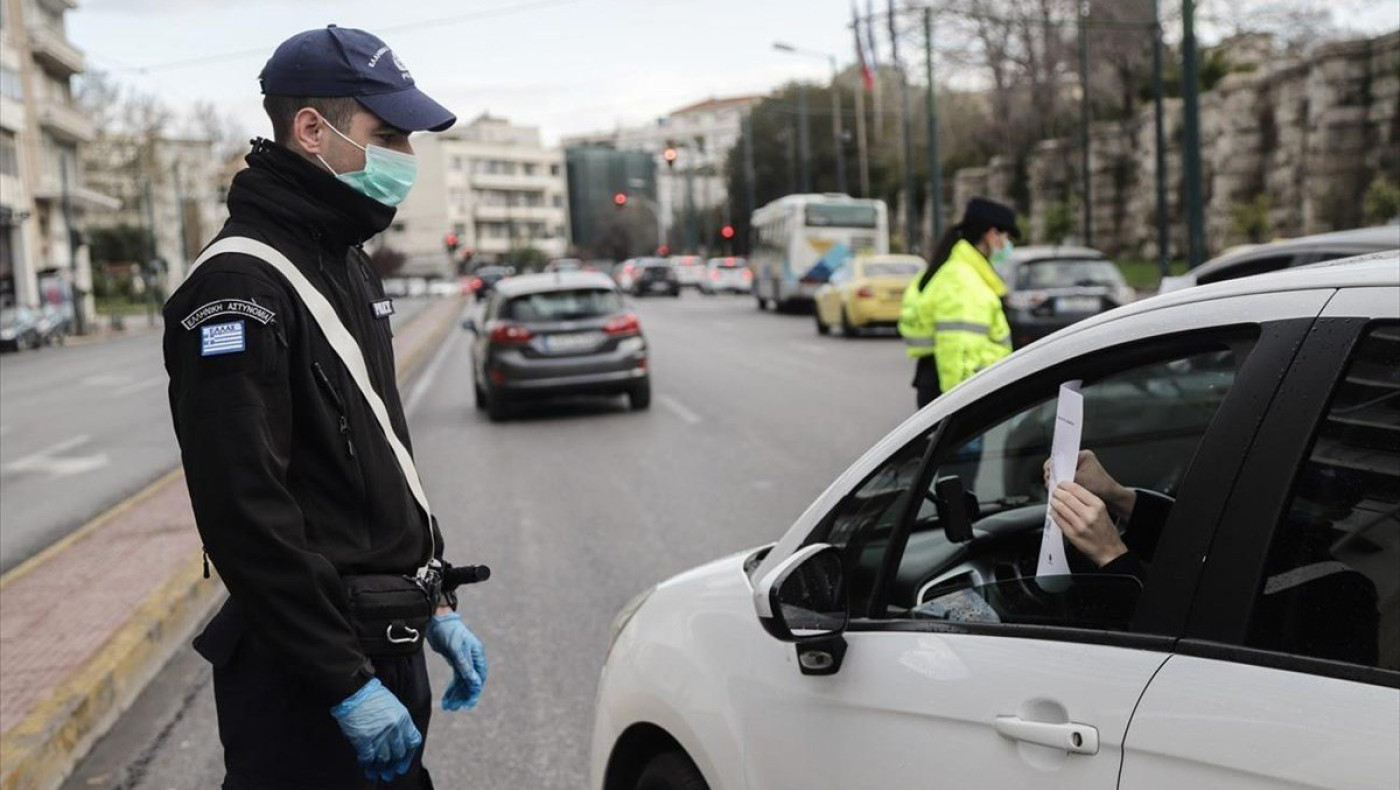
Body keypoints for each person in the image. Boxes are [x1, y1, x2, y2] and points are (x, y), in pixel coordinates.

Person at [163, 26, 485, 790]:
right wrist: (344, 682)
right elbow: (246, 511)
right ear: (312, 129)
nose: (403, 156)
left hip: (381, 644)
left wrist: (434, 598)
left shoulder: (345, 260)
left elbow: (376, 457)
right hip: (310, 678)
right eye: (388, 133)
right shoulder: (239, 288)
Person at [898, 197, 1020, 410]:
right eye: (1006, 237)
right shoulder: (962, 281)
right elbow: (956, 351)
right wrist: (961, 407)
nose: (1007, 245)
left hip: (940, 384)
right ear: (992, 234)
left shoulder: (959, 269)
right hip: (960, 396)